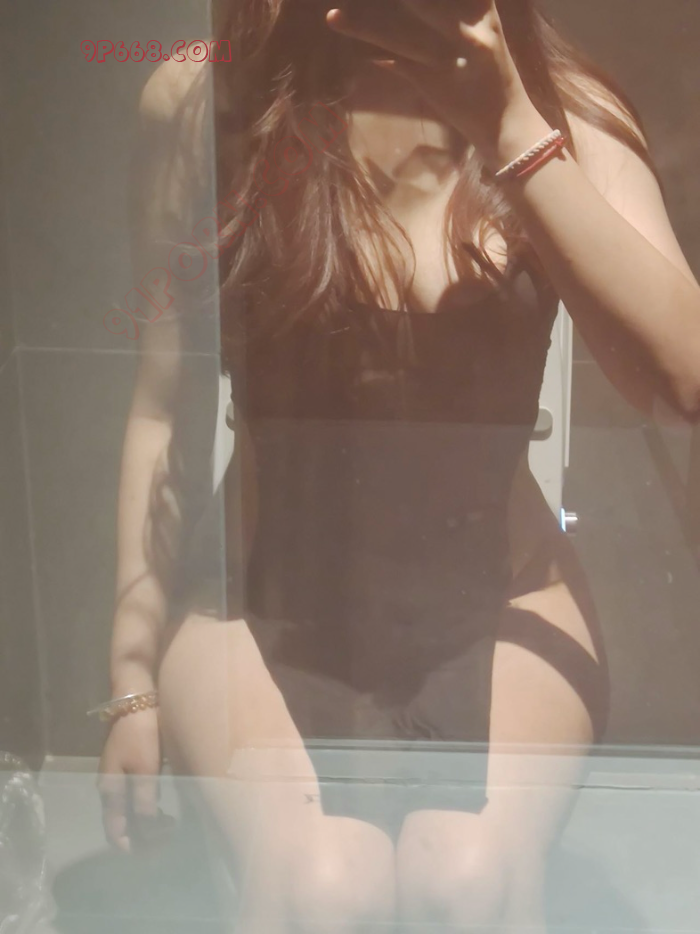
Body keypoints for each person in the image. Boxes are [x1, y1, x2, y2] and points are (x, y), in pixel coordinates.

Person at [97, 1, 700, 930]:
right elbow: (160, 406)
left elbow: (682, 381)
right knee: (319, 888)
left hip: (498, 598)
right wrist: (128, 681)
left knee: (466, 882)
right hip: (261, 598)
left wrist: (511, 131)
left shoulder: (562, 113)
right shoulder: (206, 95)